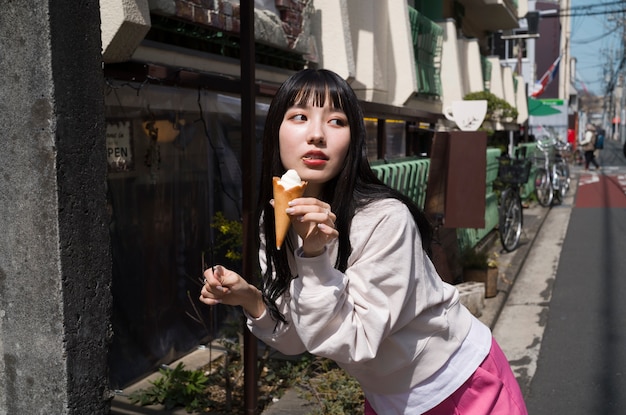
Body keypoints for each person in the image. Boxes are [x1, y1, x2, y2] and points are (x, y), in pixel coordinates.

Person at [200, 69, 528, 414]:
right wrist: (250, 298)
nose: (316, 134)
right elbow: (300, 339)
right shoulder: (275, 221)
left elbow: (357, 342)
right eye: (299, 116)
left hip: (462, 385)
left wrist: (314, 259)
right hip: (389, 401)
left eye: (336, 121)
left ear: (353, 139)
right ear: (275, 133)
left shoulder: (385, 218)